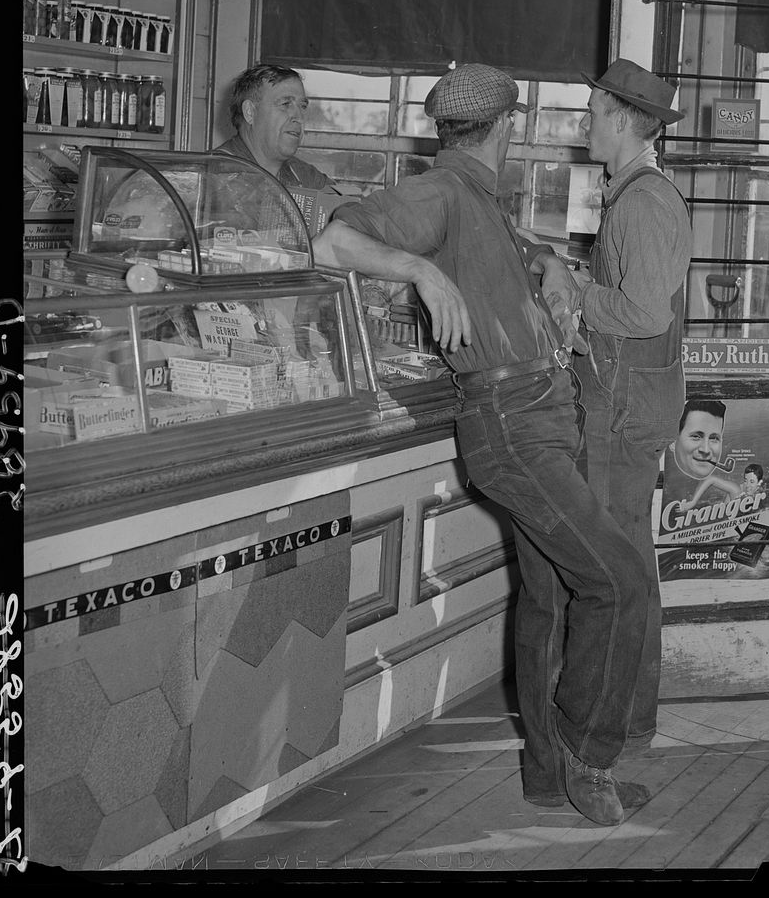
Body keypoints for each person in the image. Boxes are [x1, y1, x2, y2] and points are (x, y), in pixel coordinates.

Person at [313, 63, 653, 826]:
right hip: (513, 423)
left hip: (532, 414)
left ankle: (544, 771)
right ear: (509, 127)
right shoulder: (441, 191)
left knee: (549, 594)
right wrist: (419, 274)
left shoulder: (478, 196)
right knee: (619, 581)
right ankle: (589, 761)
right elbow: (333, 241)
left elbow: (513, 250)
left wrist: (551, 263)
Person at [566, 59, 693, 760]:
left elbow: (642, 313)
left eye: (591, 112)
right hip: (629, 407)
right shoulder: (637, 192)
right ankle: (629, 718)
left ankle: (608, 730)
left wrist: (572, 292)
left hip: (621, 415)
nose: (584, 122)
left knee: (614, 574)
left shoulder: (643, 202)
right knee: (629, 568)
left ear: (620, 119)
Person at [214, 63, 338, 194]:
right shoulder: (210, 178)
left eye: (302, 106)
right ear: (250, 112)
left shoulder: (303, 175)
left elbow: (350, 204)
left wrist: (344, 210)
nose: (299, 117)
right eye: (285, 104)